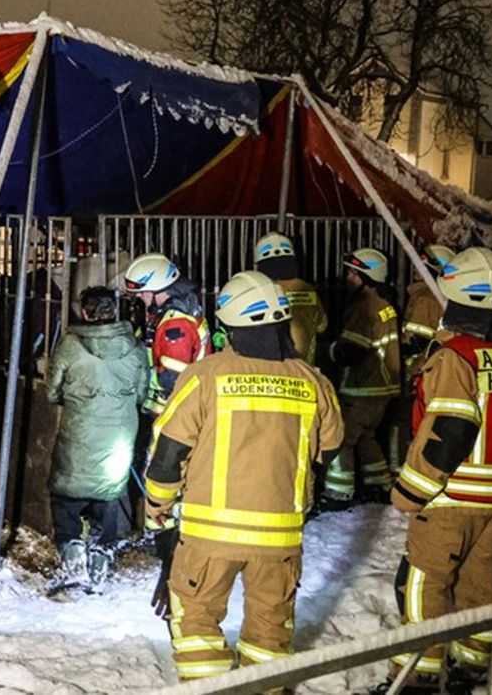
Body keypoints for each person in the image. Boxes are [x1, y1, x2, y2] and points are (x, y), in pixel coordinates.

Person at [144, 271, 344, 683]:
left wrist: (157, 506)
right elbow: (330, 448)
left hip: (208, 535)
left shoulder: (205, 376)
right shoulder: (312, 381)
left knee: (197, 627)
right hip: (280, 539)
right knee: (269, 638)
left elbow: (168, 454)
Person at [376, 247, 492, 694]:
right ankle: (473, 669)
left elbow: (448, 433)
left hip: (451, 502)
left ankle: (418, 676)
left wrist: (409, 494)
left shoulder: (457, 357)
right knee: (482, 587)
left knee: (422, 586)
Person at [44, 287, 150, 589]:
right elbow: (142, 394)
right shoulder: (135, 347)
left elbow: (52, 392)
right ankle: (102, 554)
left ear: (86, 312)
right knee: (109, 490)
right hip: (119, 434)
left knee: (66, 492)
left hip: (79, 430)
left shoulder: (69, 345)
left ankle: (73, 551)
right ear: (115, 311)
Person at [320, 247, 401, 508]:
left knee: (343, 439)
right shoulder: (386, 306)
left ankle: (339, 492)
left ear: (367, 277)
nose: (348, 278)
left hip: (362, 389)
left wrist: (326, 349)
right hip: (384, 388)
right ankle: (379, 485)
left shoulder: (363, 309)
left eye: (353, 273)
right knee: (367, 438)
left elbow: (350, 352)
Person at [390, 244, 455, 476]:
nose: (417, 270)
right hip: (431, 374)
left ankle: (402, 471)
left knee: (404, 424)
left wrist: (395, 352)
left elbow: (416, 341)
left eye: (422, 267)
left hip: (416, 373)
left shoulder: (425, 299)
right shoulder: (438, 297)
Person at [122, 252, 211, 417]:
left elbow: (171, 379)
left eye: (142, 292)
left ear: (159, 289)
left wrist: (132, 373)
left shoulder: (175, 326)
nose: (138, 296)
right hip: (170, 406)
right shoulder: (171, 312)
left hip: (171, 409)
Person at [252, 232, 328, 365]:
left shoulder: (259, 290)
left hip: (269, 370)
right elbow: (322, 326)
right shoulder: (307, 289)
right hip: (305, 370)